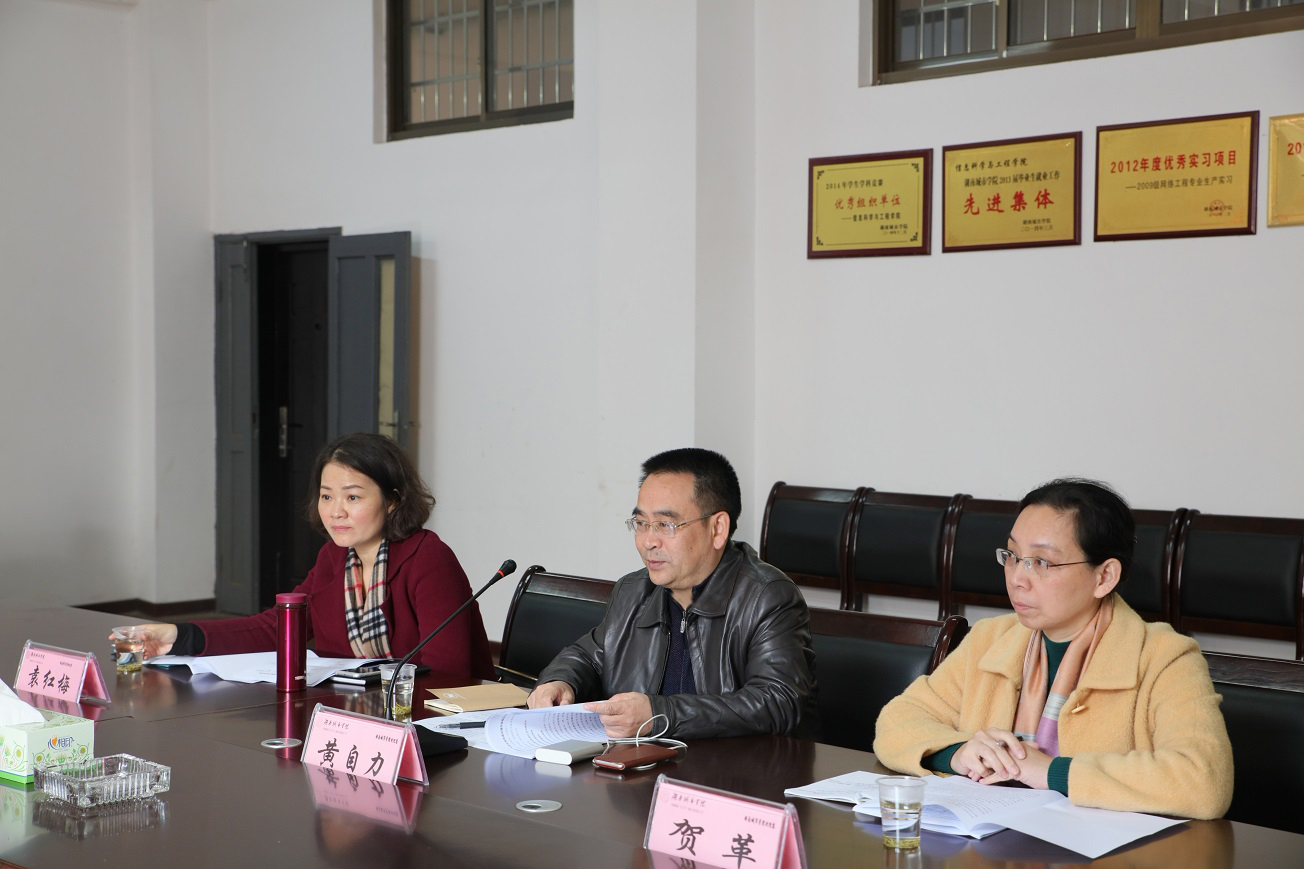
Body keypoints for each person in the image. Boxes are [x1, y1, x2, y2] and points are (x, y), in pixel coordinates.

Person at [873, 478, 1233, 819]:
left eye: (1042, 562)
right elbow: (897, 721)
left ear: (1104, 576)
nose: (1017, 578)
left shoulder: (1165, 657)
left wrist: (1049, 771)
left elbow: (1203, 781)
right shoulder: (990, 638)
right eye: (1012, 555)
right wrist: (959, 753)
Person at [125, 433, 494, 682]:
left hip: (438, 722)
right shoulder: (335, 558)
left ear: (392, 501)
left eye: (353, 497)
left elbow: (448, 671)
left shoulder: (428, 558)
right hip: (357, 712)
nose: (335, 511)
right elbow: (278, 627)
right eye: (327, 496)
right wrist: (180, 636)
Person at [527, 447, 819, 740]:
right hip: (641, 761)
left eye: (665, 525)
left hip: (733, 765)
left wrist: (660, 715)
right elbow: (589, 656)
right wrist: (560, 682)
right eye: (641, 524)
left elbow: (777, 701)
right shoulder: (633, 591)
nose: (648, 542)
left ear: (717, 529)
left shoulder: (767, 597)